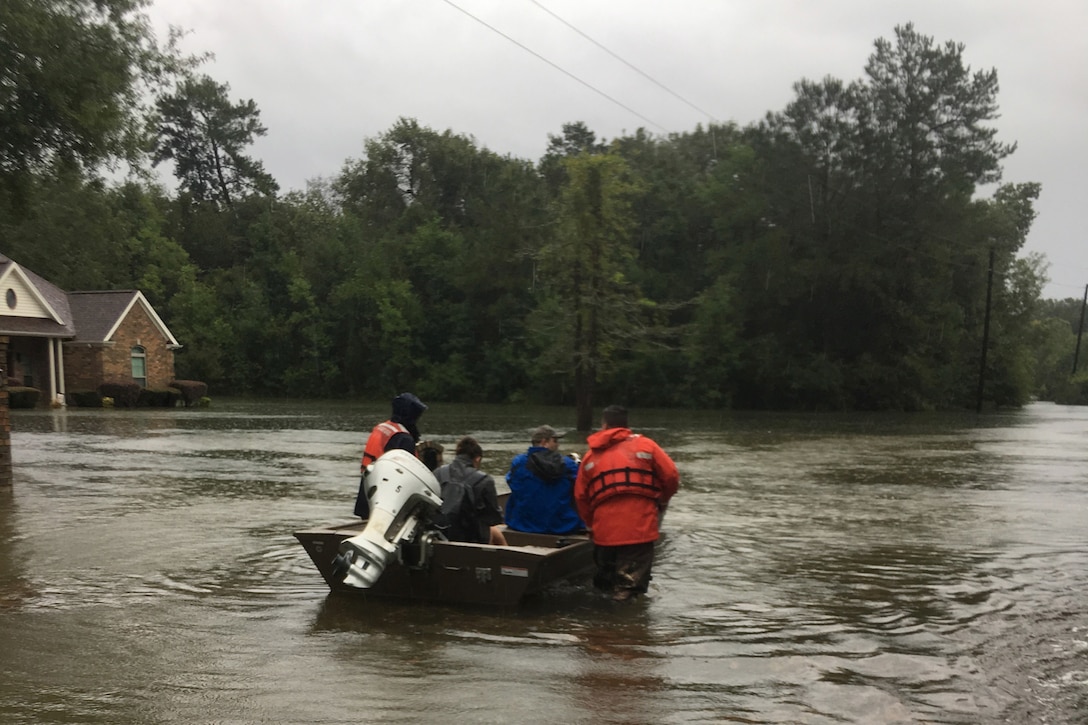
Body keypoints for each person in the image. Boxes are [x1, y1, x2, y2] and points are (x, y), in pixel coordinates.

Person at [574, 405, 679, 601]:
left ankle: (602, 626)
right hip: (639, 530)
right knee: (629, 591)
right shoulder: (646, 446)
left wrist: (591, 524)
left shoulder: (590, 456)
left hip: (604, 533)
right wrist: (662, 500)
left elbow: (581, 496)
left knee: (604, 587)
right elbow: (671, 476)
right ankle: (628, 626)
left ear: (604, 425)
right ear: (626, 424)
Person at [353, 392, 427, 518]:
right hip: (383, 500)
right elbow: (408, 476)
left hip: (366, 492)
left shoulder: (382, 427)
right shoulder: (403, 438)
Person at [504, 424, 584, 535]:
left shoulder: (518, 463)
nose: (558, 444)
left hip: (523, 525)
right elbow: (582, 489)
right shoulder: (569, 464)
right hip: (563, 526)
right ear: (544, 442)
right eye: (555, 440)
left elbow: (511, 482)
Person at [433, 436, 507, 546]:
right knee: (495, 532)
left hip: (440, 533)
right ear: (477, 459)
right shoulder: (484, 480)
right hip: (472, 539)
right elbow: (494, 518)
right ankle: (510, 562)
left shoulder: (438, 473)